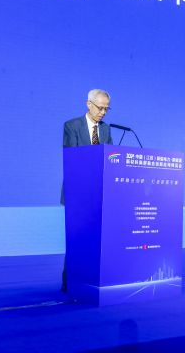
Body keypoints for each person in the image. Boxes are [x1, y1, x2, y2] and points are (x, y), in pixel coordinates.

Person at [61, 89, 113, 292]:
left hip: (99, 195)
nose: (103, 113)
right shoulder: (72, 126)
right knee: (77, 240)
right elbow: (73, 159)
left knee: (96, 241)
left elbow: (111, 159)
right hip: (78, 193)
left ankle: (92, 281)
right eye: (100, 108)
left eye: (107, 109)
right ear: (88, 104)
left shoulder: (106, 129)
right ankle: (69, 283)